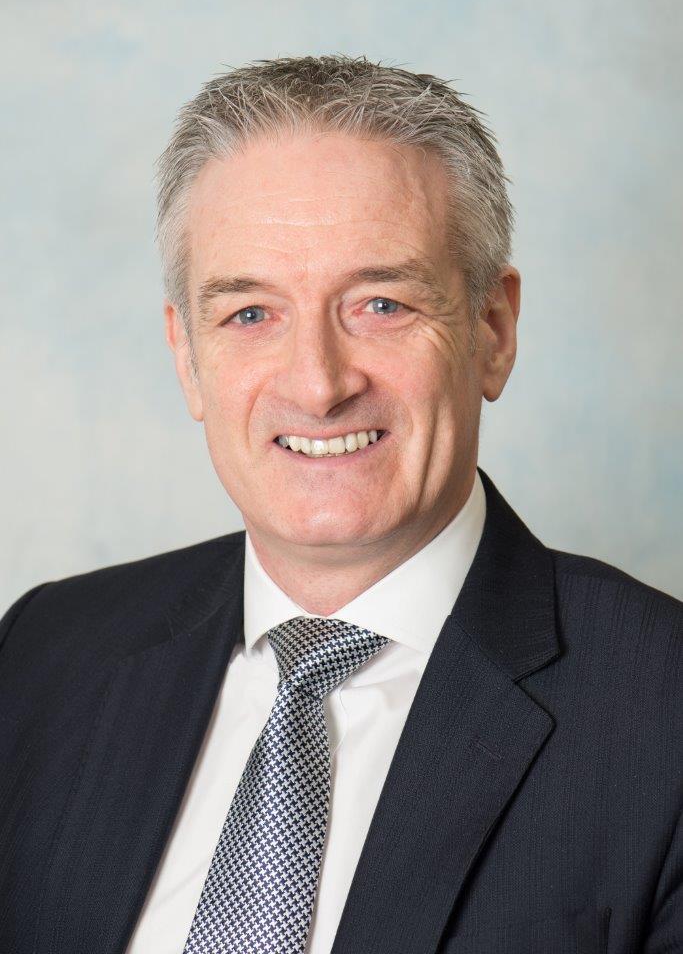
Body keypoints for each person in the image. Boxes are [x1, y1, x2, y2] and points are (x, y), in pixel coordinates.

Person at [0, 55, 680, 954]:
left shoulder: (662, 715)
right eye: (250, 315)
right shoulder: (45, 653)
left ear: (491, 332)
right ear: (186, 356)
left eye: (381, 304)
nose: (318, 386)